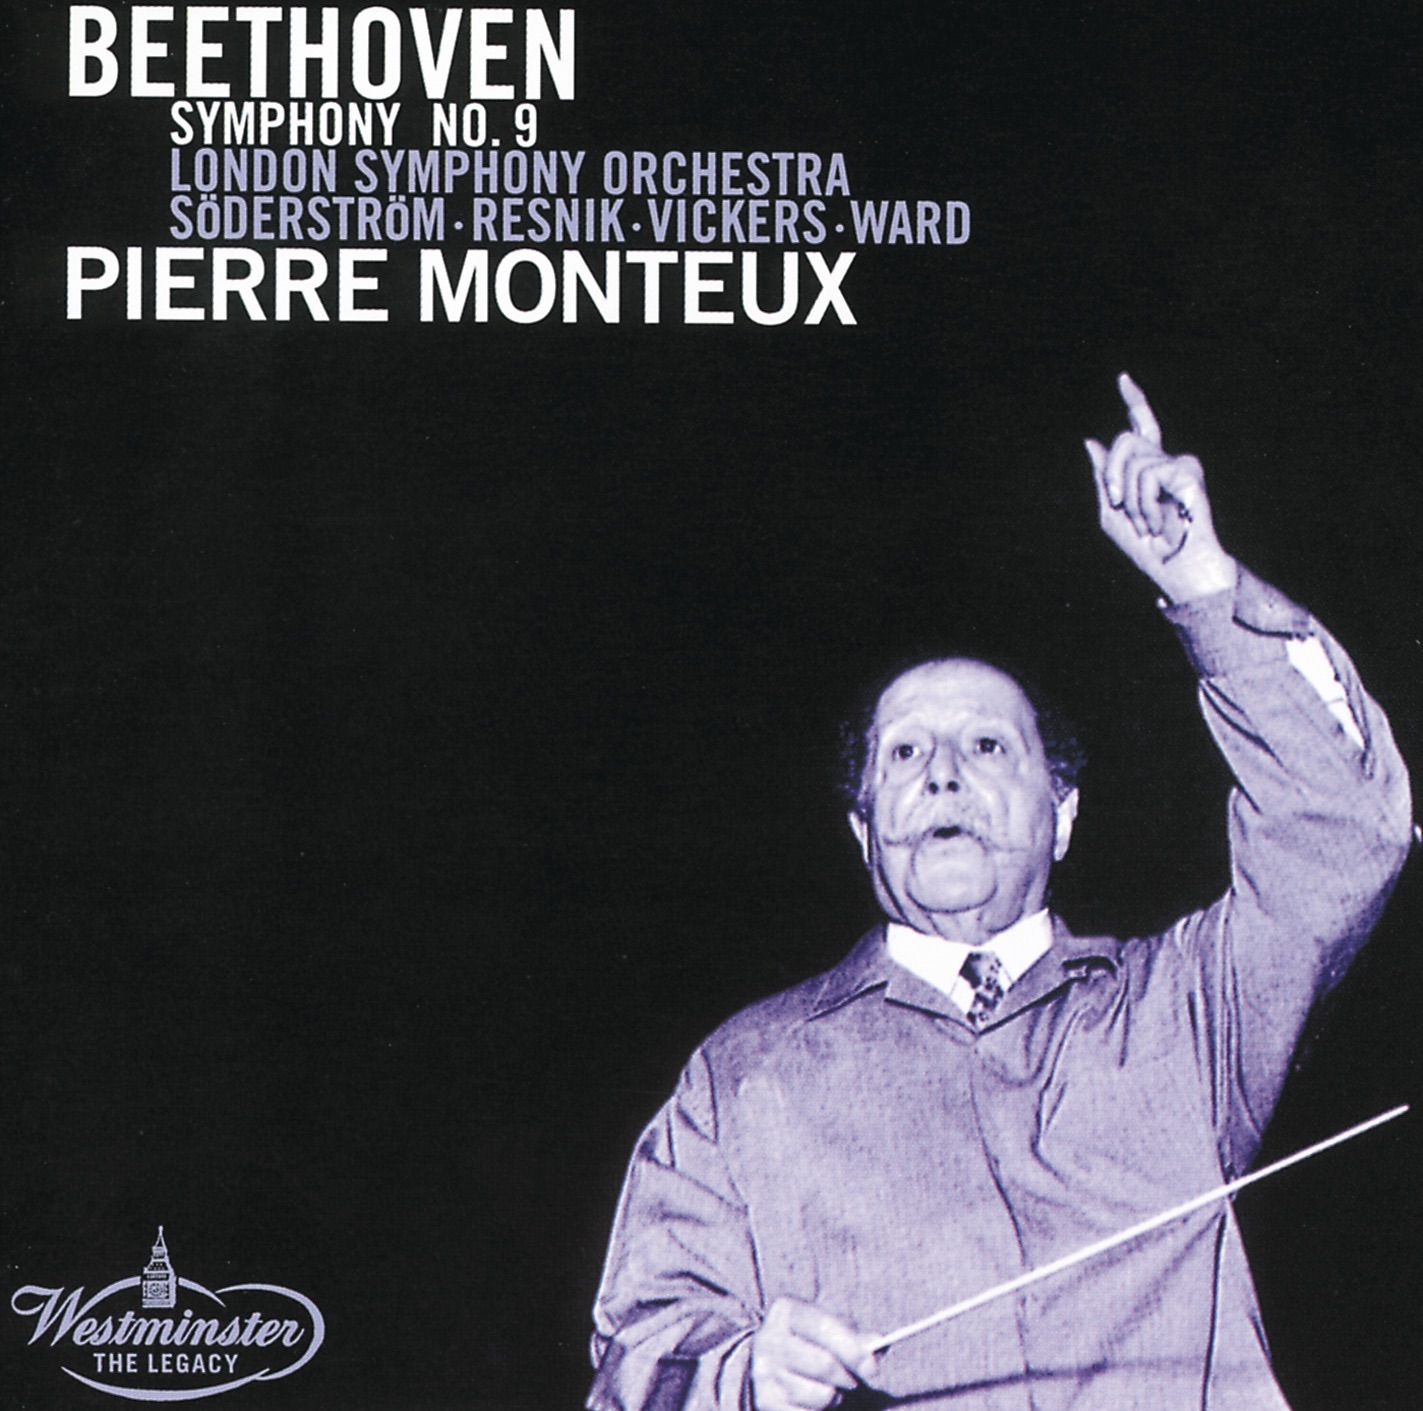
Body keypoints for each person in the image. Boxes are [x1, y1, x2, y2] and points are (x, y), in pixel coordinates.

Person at [587, 377, 1413, 1411]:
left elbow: (1347, 827)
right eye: (904, 753)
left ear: (1061, 814)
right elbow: (634, 1362)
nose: (942, 774)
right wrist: (743, 1373)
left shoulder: (1186, 1011)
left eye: (986, 746)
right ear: (862, 829)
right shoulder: (742, 1077)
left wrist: (1203, 585)